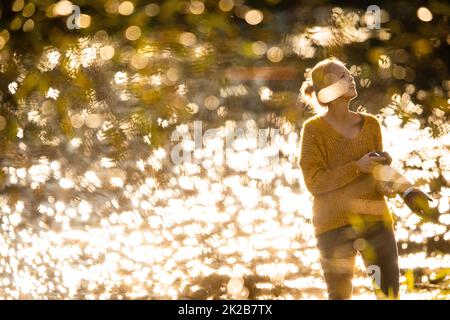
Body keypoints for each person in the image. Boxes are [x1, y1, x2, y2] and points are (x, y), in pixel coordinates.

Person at [298, 57, 401, 299]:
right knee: (340, 296)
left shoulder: (372, 124)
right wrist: (357, 166)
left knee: (388, 294)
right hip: (333, 227)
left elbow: (376, 180)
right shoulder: (313, 130)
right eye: (342, 76)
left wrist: (389, 182)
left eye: (349, 73)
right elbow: (315, 183)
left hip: (376, 223)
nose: (351, 78)